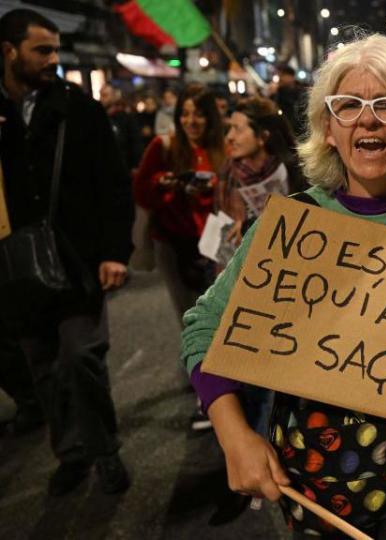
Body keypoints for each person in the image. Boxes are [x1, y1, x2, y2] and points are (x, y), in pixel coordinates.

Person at [181, 33, 386, 537]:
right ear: (328, 128)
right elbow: (204, 326)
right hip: (314, 497)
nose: (367, 119)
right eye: (348, 105)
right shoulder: (290, 225)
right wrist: (233, 433)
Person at [0, 8, 133, 495]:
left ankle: (106, 452)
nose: (53, 59)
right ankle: (71, 454)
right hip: (15, 269)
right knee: (45, 368)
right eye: (42, 50)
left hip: (77, 263)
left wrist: (115, 252)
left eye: (55, 49)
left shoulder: (78, 108)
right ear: (8, 51)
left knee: (81, 358)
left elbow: (115, 187)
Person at [133, 84, 225, 431]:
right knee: (190, 318)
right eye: (185, 113)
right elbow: (141, 189)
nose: (191, 121)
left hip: (215, 242)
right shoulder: (165, 146)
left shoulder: (222, 147)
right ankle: (207, 396)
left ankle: (221, 388)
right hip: (173, 242)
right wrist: (167, 183)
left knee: (218, 317)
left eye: (198, 113)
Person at [218, 96, 304, 242]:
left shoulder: (293, 171)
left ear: (263, 137)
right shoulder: (229, 171)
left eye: (237, 130)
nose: (229, 137)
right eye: (229, 128)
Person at [99, 82, 144, 175]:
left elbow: (135, 142)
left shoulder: (126, 118)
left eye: (105, 95)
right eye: (101, 95)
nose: (101, 99)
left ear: (114, 96)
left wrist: (135, 165)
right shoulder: (98, 118)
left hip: (124, 169)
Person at [272, 64, 308, 139]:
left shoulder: (304, 91)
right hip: (291, 133)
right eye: (278, 75)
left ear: (291, 76)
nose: (280, 78)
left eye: (282, 75)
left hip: (306, 129)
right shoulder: (278, 95)